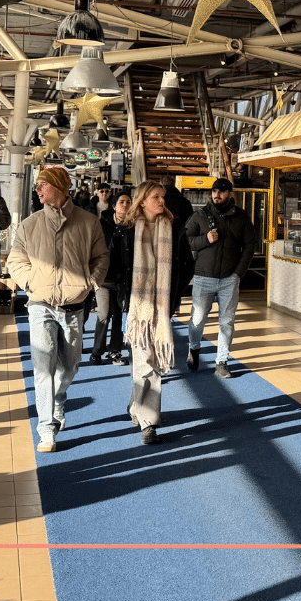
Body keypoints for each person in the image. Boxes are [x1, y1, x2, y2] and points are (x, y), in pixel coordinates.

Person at [9, 165, 109, 452]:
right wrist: (32, 282)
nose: (38, 190)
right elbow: (16, 261)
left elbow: (101, 256)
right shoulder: (29, 225)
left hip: (74, 306)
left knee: (69, 366)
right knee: (43, 368)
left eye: (43, 185)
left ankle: (58, 401)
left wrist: (90, 282)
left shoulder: (89, 223)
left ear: (60, 188)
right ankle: (46, 429)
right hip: (40, 304)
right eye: (37, 185)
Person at [185, 178, 257, 378]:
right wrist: (205, 239)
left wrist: (238, 273)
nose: (217, 195)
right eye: (214, 191)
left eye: (221, 192)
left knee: (227, 322)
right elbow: (186, 240)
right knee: (198, 320)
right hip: (203, 277)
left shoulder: (241, 217)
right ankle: (194, 348)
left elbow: (250, 245)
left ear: (229, 194)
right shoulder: (199, 216)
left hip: (229, 279)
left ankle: (222, 363)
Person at [126, 180, 176, 444]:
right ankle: (148, 422)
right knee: (145, 362)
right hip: (138, 310)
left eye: (162, 197)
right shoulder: (128, 229)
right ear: (142, 200)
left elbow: (182, 266)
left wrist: (172, 300)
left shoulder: (170, 227)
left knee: (150, 363)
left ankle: (138, 405)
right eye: (156, 197)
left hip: (162, 307)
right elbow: (118, 264)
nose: (161, 201)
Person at [88, 191, 133, 366]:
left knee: (119, 316)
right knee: (103, 314)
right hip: (104, 279)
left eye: (129, 202)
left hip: (123, 279)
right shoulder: (102, 224)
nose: (125, 205)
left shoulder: (134, 226)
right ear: (114, 206)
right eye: (122, 202)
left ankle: (115, 351)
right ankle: (97, 351)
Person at [160, 176, 195, 318]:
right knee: (177, 273)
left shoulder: (161, 201)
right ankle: (177, 306)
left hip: (163, 240)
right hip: (180, 241)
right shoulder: (184, 201)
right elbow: (191, 219)